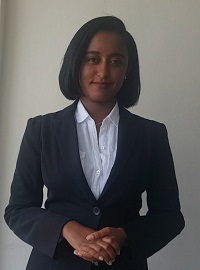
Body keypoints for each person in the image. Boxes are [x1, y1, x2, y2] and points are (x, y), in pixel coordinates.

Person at [4, 16, 185, 270]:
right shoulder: (41, 130)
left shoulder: (151, 135)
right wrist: (66, 229)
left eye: (115, 61)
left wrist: (124, 236)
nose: (103, 71)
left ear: (127, 70)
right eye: (93, 59)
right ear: (76, 63)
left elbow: (170, 217)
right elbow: (18, 210)